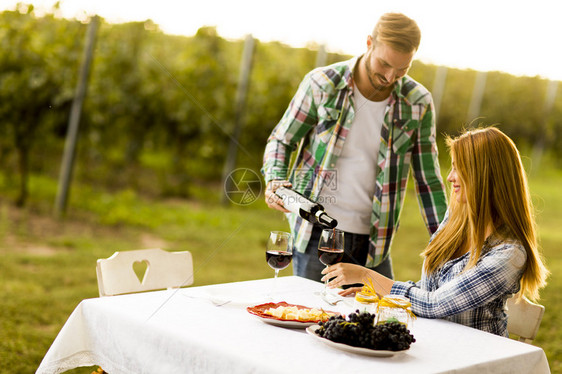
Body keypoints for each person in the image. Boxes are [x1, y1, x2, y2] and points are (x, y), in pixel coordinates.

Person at [261, 13, 447, 282]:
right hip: (316, 235)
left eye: (402, 69)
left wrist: (447, 241)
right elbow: (282, 139)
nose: (390, 76)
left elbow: (428, 181)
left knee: (376, 320)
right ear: (369, 42)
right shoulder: (322, 84)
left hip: (376, 243)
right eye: (384, 64)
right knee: (312, 317)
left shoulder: (418, 102)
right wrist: (275, 180)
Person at [322, 127, 549, 336]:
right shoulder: (455, 219)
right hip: (433, 342)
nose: (450, 177)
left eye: (459, 168)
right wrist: (380, 292)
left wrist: (367, 275)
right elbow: (431, 289)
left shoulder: (509, 254)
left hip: (475, 358)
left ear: (484, 176)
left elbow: (436, 304)